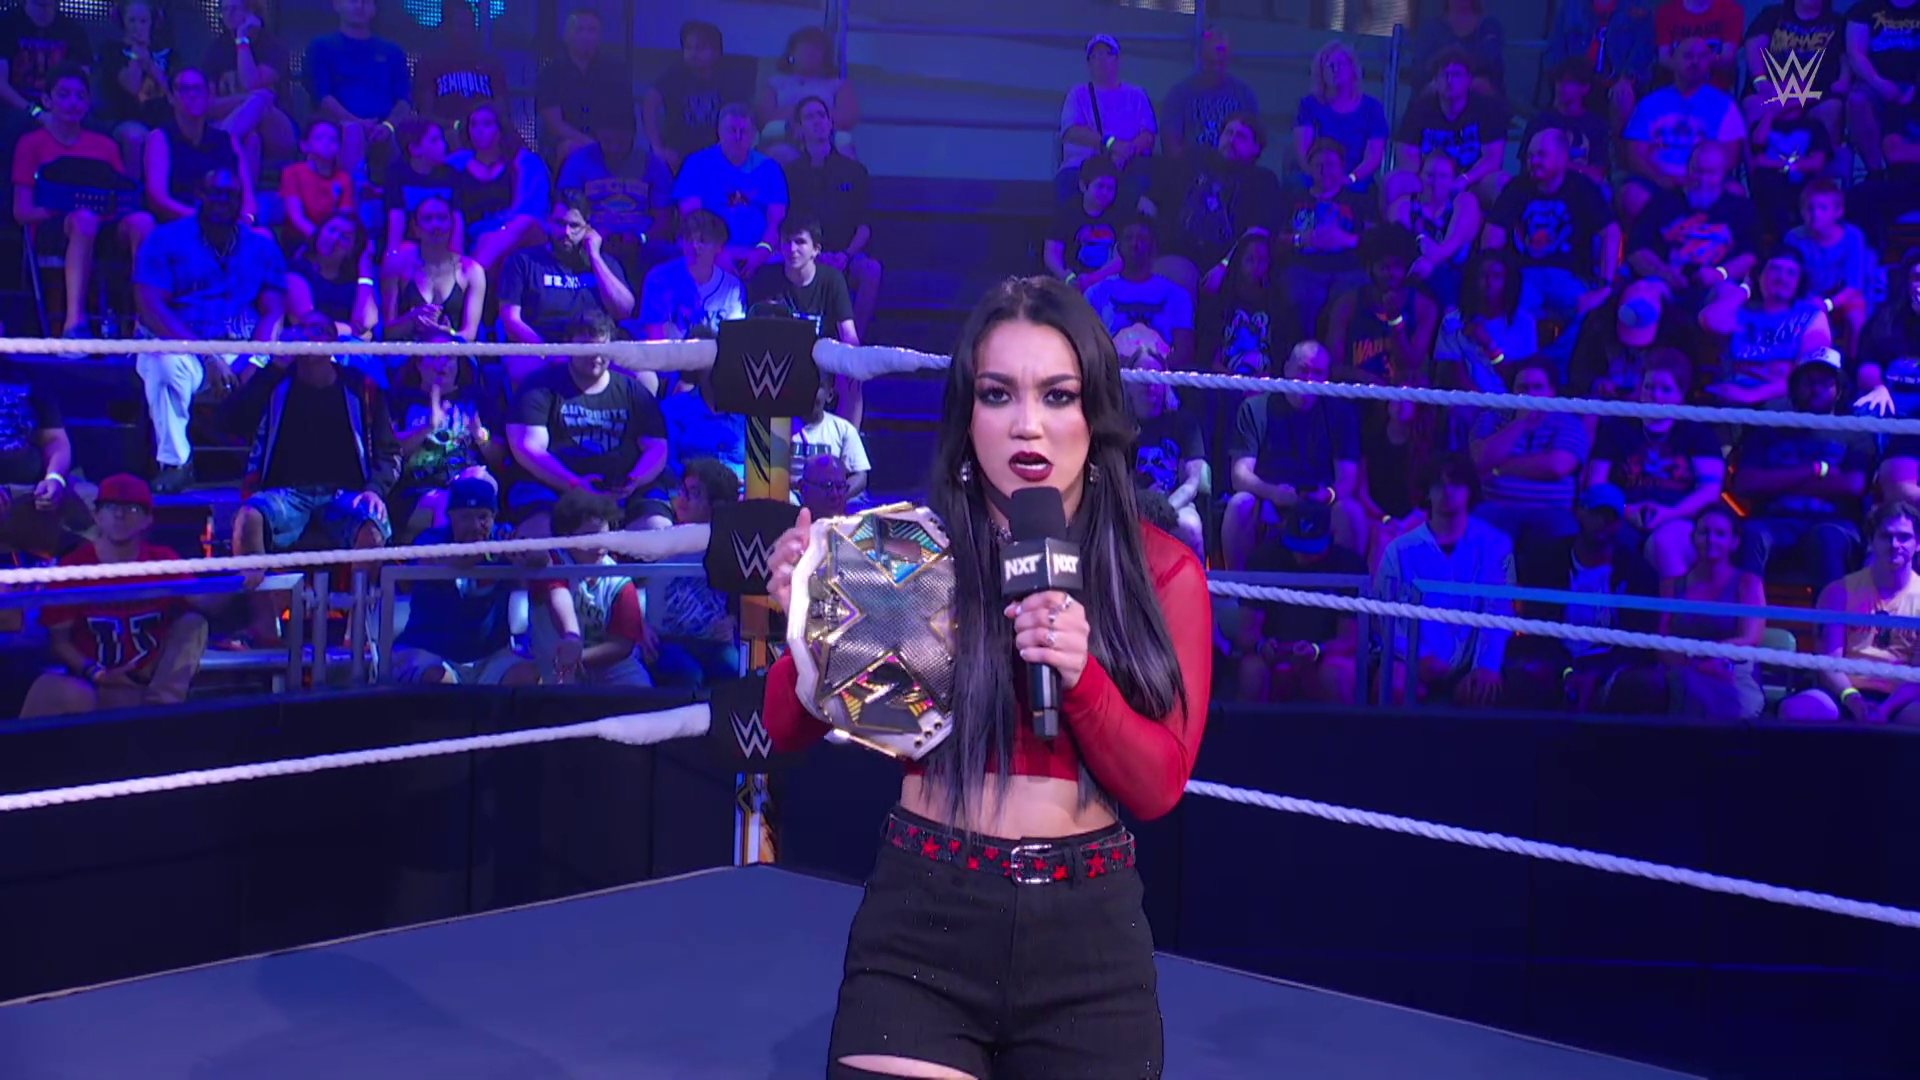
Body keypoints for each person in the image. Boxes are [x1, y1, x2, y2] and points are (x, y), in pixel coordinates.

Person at [758, 275, 1211, 1078]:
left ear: (1095, 412)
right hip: (923, 921)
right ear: (968, 416)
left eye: (1057, 395)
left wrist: (1080, 676)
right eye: (999, 394)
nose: (1027, 424)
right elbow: (785, 730)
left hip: (1088, 940)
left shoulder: (1158, 570)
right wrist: (803, 621)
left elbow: (1157, 787)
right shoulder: (904, 554)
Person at [19, 474, 211, 717]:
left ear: (148, 519)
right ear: (97, 515)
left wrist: (244, 577)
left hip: (145, 681)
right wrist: (96, 673)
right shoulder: (74, 567)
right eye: (111, 507)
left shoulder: (162, 560)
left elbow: (207, 602)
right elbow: (59, 641)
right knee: (59, 691)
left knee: (194, 623)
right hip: (93, 684)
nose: (120, 515)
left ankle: (161, 713)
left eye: (131, 508)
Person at [1778, 501, 1920, 723]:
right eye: (1886, 536)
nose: (1894, 544)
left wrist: (1885, 709)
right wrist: (1853, 701)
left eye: (1904, 537)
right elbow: (1829, 663)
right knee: (1796, 710)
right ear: (1871, 541)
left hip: (1901, 701)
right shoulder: (1838, 592)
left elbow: (1917, 676)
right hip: (1843, 693)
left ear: (1918, 544)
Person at [1657, 503, 1766, 720]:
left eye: (1720, 534)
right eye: (1704, 532)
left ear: (1734, 542)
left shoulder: (1748, 583)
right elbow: (1661, 640)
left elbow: (1749, 638)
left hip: (1732, 672)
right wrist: (1694, 664)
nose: (1710, 539)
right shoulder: (1671, 585)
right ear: (1693, 538)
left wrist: (1711, 658)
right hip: (1681, 669)